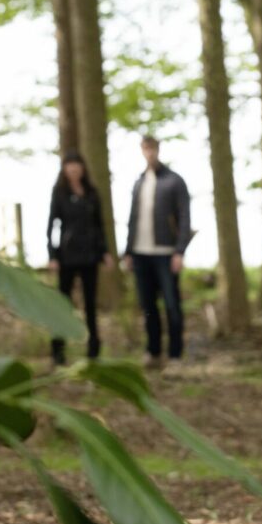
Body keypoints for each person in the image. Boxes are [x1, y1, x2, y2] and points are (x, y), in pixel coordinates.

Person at [120, 135, 192, 369]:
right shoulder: (139, 182)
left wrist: (179, 251)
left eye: (152, 148)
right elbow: (133, 219)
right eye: (145, 148)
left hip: (166, 252)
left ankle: (175, 355)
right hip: (141, 253)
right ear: (141, 150)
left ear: (158, 150)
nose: (149, 153)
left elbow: (184, 218)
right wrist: (128, 251)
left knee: (172, 304)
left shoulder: (174, 181)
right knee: (148, 306)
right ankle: (153, 352)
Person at [46, 152, 110, 364]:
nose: (74, 169)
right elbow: (52, 226)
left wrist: (104, 251)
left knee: (90, 304)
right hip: (67, 257)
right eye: (70, 166)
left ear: (82, 168)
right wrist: (53, 254)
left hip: (90, 257)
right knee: (62, 303)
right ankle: (58, 349)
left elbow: (99, 224)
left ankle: (94, 349)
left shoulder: (91, 193)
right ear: (65, 169)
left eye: (77, 165)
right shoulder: (60, 193)